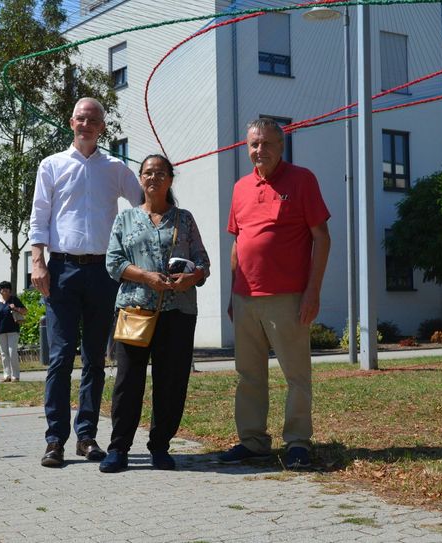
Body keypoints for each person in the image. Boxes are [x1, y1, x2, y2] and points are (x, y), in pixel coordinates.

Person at [30, 97, 142, 468]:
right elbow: (39, 216)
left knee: (95, 359)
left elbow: (145, 200)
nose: (86, 124)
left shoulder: (116, 168)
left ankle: (87, 436)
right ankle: (54, 440)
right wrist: (37, 261)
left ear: (102, 128)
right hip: (61, 271)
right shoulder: (52, 165)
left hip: (103, 273)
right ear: (71, 122)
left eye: (93, 119)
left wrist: (161, 176)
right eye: (81, 118)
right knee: (61, 357)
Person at [218, 118, 331, 469]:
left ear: (281, 146)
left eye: (266, 143)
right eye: (253, 144)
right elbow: (239, 243)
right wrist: (231, 295)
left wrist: (313, 291)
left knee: (296, 375)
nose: (259, 150)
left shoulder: (302, 180)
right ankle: (252, 442)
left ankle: (298, 442)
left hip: (287, 297)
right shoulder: (240, 188)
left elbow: (322, 238)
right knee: (248, 375)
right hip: (245, 297)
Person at [99, 154, 210, 473]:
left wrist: (193, 276)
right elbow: (113, 262)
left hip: (179, 311)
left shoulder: (184, 219)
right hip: (135, 308)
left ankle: (160, 446)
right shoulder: (126, 219)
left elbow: (203, 261)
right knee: (127, 381)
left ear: (170, 179)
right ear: (140, 179)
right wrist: (146, 276)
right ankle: (118, 448)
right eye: (148, 173)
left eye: (160, 173)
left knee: (171, 381)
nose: (153, 178)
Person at [0, 281, 27, 383]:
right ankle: (7, 375)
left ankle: (15, 376)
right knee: (4, 354)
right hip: (0, 331)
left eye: (7, 287)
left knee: (12, 353)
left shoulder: (14, 300)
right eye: (2, 288)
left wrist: (15, 307)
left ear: (10, 290)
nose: (4, 289)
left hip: (13, 331)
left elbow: (25, 311)